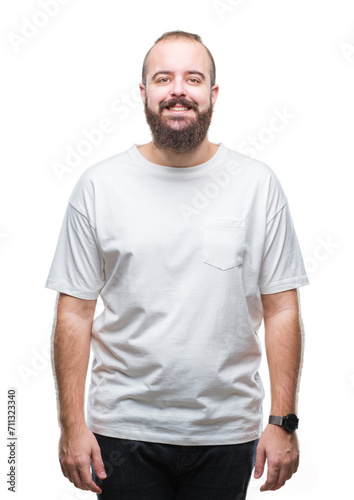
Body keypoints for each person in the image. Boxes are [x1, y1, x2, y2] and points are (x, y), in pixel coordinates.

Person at [45, 30, 309, 500]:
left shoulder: (256, 185)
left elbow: (281, 309)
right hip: (122, 432)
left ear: (213, 93)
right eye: (163, 78)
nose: (178, 90)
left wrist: (283, 421)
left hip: (227, 434)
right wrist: (71, 426)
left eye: (193, 78)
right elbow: (74, 312)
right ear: (144, 93)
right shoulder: (99, 186)